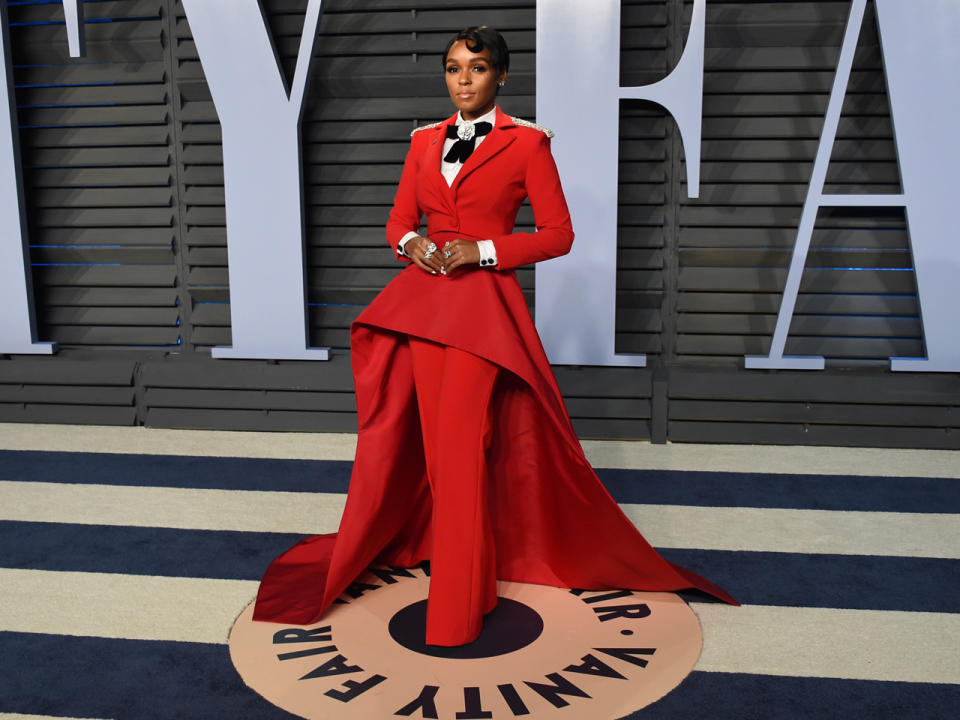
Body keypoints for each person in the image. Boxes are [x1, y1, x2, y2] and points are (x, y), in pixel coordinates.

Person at [253, 26, 737, 647]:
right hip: (422, 311)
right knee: (439, 456)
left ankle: (454, 613)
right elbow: (398, 220)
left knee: (460, 456)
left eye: (476, 68)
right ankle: (472, 585)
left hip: (483, 315)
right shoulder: (424, 143)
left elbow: (557, 235)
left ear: (500, 76)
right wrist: (415, 244)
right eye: (453, 68)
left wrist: (480, 251)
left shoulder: (528, 143)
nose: (462, 79)